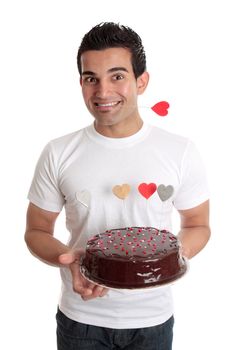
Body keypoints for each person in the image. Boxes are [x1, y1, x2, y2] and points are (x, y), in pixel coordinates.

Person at [25, 22, 211, 350]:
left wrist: (170, 256)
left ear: (142, 81)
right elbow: (36, 230)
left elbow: (198, 224)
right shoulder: (58, 151)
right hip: (80, 321)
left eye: (118, 76)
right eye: (90, 79)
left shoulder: (180, 150)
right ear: (80, 82)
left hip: (152, 321)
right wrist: (68, 258)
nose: (103, 92)